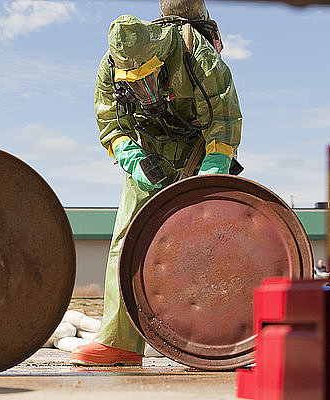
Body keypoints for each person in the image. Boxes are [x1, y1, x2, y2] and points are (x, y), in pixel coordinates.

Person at [71, 0, 242, 366]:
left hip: (199, 146)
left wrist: (213, 168)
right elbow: (110, 125)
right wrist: (132, 158)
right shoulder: (108, 69)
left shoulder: (195, 52)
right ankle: (120, 343)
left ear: (158, 51)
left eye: (149, 73)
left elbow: (224, 116)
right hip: (148, 149)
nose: (144, 84)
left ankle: (214, 341)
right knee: (127, 241)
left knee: (208, 240)